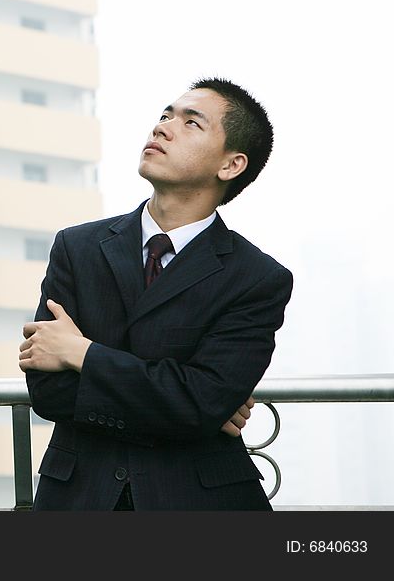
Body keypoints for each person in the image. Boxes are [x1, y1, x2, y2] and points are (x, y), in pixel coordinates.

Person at [18, 77, 293, 510]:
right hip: (80, 499)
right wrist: (188, 406)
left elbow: (200, 403)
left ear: (231, 165)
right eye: (165, 115)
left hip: (196, 504)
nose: (162, 127)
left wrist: (82, 354)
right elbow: (48, 391)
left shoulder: (257, 278)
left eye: (191, 123)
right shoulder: (77, 247)